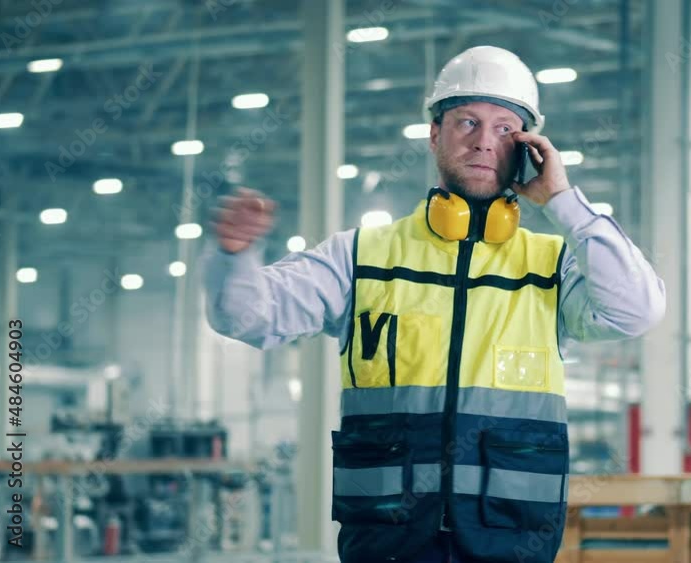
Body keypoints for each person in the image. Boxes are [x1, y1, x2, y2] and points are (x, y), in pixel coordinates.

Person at [202, 46, 665, 563]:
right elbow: (246, 316)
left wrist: (564, 203)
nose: (484, 141)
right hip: (389, 542)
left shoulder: (550, 265)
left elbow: (637, 310)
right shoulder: (363, 257)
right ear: (434, 134)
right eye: (467, 122)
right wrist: (234, 257)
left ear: (529, 148)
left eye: (505, 128)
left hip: (510, 542)